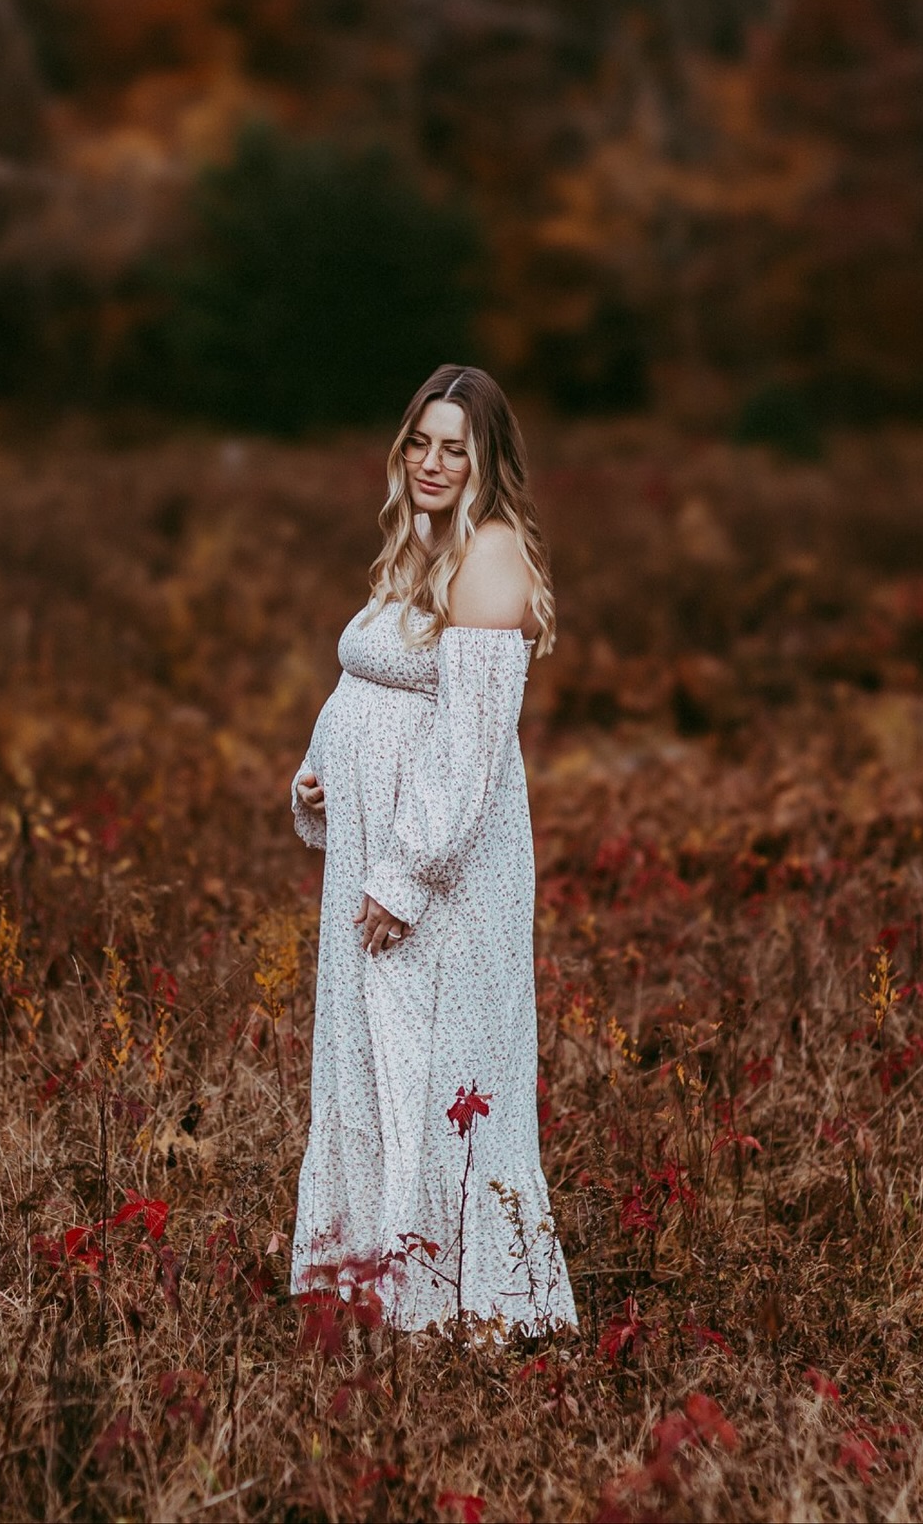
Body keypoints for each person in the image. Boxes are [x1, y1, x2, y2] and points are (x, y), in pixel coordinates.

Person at [289, 364, 577, 1336]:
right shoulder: (419, 539)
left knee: (437, 1062)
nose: (432, 461)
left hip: (444, 870)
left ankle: (467, 1299)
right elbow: (368, 682)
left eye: (455, 447)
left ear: (487, 459)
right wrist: (320, 772)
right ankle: (376, 1279)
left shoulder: (489, 555)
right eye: (420, 441)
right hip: (374, 854)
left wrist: (405, 875)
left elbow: (468, 748)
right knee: (371, 1057)